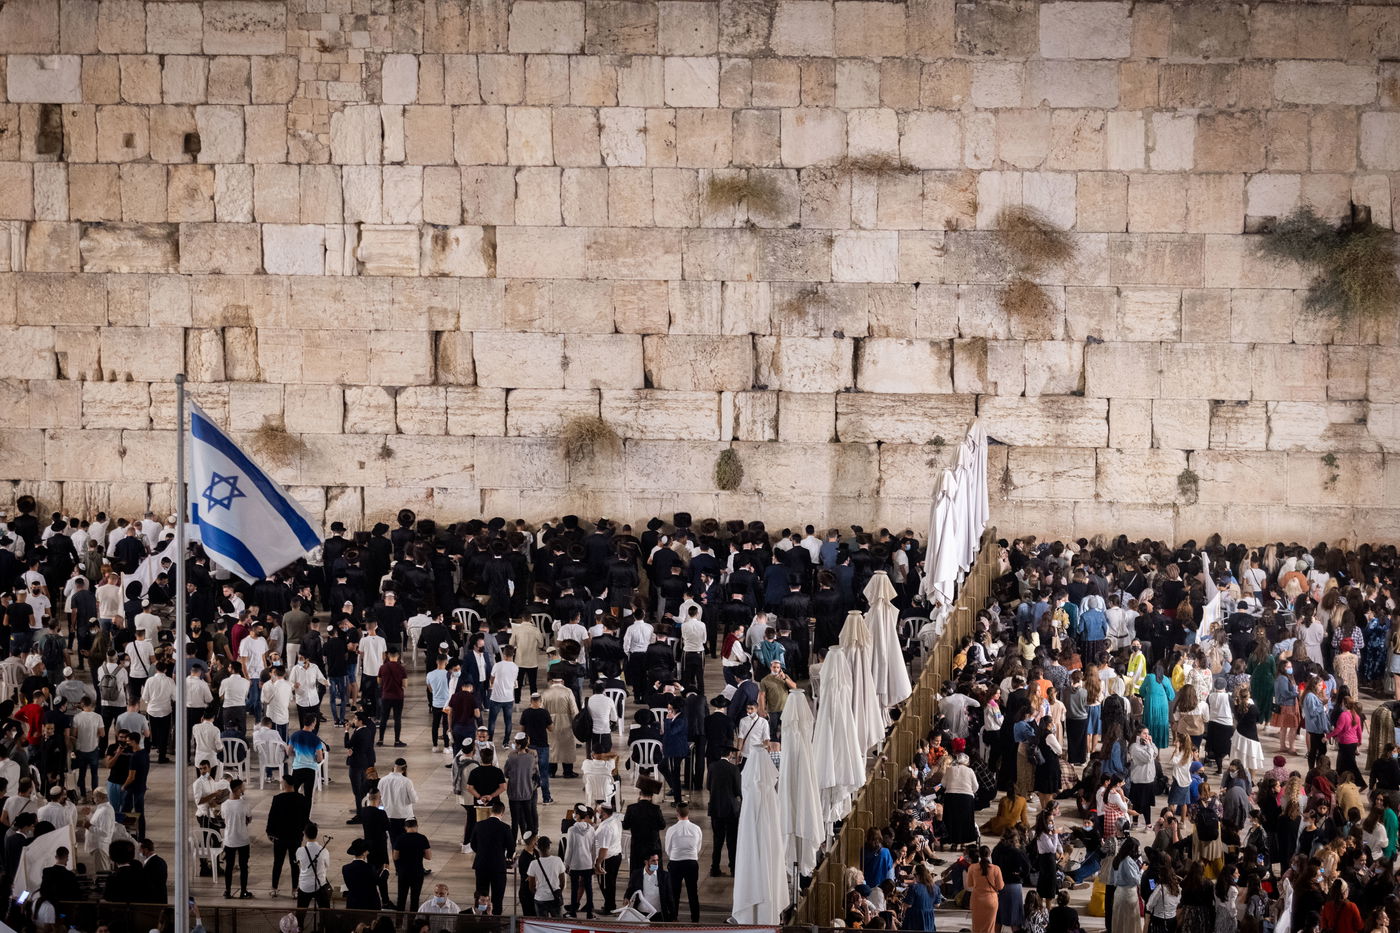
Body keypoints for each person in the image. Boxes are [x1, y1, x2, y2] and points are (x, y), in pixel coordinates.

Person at [267, 775, 311, 898]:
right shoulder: (301, 799)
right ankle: (295, 889)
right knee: (294, 863)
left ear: (285, 784)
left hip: (280, 836)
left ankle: (274, 888)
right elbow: (305, 818)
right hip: (295, 836)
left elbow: (272, 817)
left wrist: (269, 832)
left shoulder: (277, 799)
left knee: (278, 863)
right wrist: (302, 831)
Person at [468, 799, 513, 915]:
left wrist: (482, 852)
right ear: (502, 813)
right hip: (498, 866)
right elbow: (511, 847)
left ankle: (481, 917)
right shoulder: (505, 827)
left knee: (482, 896)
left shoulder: (479, 825)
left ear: (491, 811)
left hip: (481, 864)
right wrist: (507, 857)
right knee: (498, 896)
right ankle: (496, 918)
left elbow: (473, 844)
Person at [706, 745, 742, 877]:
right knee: (732, 841)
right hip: (731, 810)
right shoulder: (734, 769)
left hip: (716, 808)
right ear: (730, 755)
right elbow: (738, 790)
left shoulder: (712, 767)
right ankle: (733, 869)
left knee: (717, 840)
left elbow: (708, 786)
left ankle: (714, 868)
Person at [664, 803, 703, 922]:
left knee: (674, 892)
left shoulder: (672, 829)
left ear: (677, 813)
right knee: (692, 892)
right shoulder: (696, 828)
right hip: (691, 862)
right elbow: (698, 846)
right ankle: (695, 918)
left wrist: (675, 856)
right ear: (688, 813)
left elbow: (668, 848)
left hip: (676, 862)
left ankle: (673, 917)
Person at [220, 779, 253, 899]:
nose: (244, 789)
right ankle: (243, 891)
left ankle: (227, 891)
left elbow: (224, 820)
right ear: (238, 790)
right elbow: (249, 819)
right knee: (244, 866)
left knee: (229, 866)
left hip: (230, 839)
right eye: (242, 787)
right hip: (243, 839)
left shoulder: (224, 805)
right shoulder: (245, 804)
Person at [392, 818, 431, 912]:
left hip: (403, 872)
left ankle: (398, 922)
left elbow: (395, 857)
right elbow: (428, 856)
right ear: (416, 826)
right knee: (415, 898)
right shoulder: (422, 838)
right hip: (417, 871)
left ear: (405, 827)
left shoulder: (400, 838)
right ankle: (412, 922)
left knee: (401, 898)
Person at [565, 805, 597, 918]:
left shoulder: (572, 830)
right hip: (587, 863)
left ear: (577, 815)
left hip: (575, 863)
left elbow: (570, 849)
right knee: (588, 888)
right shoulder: (591, 829)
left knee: (574, 888)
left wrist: (566, 864)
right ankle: (589, 913)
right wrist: (593, 862)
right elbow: (593, 848)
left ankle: (573, 912)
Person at [294, 821, 331, 913]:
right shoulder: (324, 851)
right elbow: (327, 865)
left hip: (304, 885)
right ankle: (325, 925)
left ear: (305, 835)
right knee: (325, 912)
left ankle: (300, 925)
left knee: (301, 911)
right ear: (316, 834)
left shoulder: (299, 850)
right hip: (320, 885)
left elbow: (300, 865)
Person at [967, 844, 1004, 933]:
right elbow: (1000, 886)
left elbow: (970, 884)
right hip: (991, 900)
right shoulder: (996, 868)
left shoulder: (972, 867)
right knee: (989, 927)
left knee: (977, 927)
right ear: (989, 854)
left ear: (979, 854)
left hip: (977, 900)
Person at [527, 836, 566, 918]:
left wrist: (538, 893)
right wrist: (558, 893)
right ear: (549, 846)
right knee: (558, 925)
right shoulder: (558, 860)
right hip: (554, 898)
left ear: (538, 848)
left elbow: (531, 886)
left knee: (542, 926)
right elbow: (563, 882)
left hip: (540, 898)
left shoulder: (533, 864)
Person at [342, 838, 382, 911]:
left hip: (353, 904)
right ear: (364, 853)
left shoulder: (345, 868)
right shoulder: (370, 868)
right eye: (367, 850)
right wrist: (386, 871)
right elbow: (378, 882)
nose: (368, 852)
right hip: (370, 904)